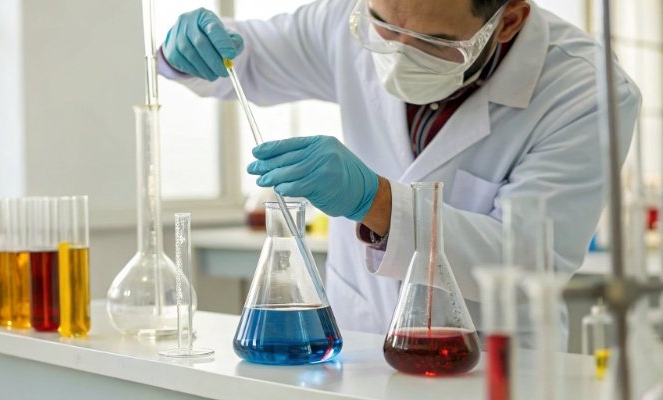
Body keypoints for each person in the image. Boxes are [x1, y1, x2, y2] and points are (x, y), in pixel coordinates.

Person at [159, 0, 641, 339]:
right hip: (360, 341)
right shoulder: (348, 19)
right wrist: (191, 50)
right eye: (385, 27)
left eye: (434, 41)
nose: (398, 53)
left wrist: (378, 203)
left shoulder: (587, 92)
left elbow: (529, 261)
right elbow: (246, 60)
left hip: (494, 360)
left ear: (509, 20)